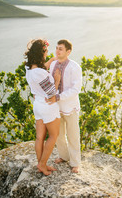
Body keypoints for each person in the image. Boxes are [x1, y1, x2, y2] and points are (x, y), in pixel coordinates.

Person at [24, 39, 61, 176]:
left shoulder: (28, 68)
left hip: (38, 105)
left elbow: (40, 71)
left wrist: (51, 60)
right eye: (45, 52)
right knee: (53, 135)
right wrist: (56, 80)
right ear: (41, 53)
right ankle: (42, 164)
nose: (47, 54)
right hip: (48, 107)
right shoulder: (41, 73)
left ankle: (41, 163)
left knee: (40, 137)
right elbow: (52, 94)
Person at [46, 39, 82, 173]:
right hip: (55, 107)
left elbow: (76, 89)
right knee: (58, 134)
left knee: (73, 135)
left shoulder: (75, 67)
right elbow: (50, 83)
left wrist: (59, 97)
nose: (57, 51)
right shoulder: (53, 64)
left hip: (70, 106)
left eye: (60, 48)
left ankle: (75, 162)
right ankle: (64, 156)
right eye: (56, 48)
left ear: (68, 51)